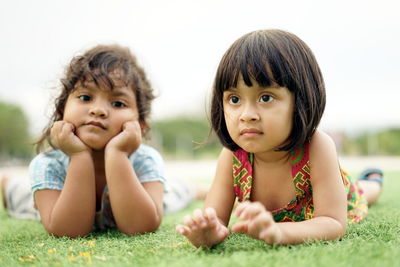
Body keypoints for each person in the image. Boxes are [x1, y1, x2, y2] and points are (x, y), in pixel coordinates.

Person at [176, 29, 383, 247]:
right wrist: (208, 232)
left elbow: (333, 222)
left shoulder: (317, 147)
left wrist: (279, 232)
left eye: (265, 97)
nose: (246, 115)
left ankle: (373, 180)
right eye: (234, 99)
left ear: (301, 100)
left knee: (365, 194)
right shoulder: (232, 157)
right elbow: (215, 218)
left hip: (343, 195)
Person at [0, 44, 198, 237]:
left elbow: (141, 227)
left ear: (141, 124)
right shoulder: (48, 165)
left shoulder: (145, 160)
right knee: (21, 193)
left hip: (152, 193)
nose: (98, 110)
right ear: (62, 111)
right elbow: (68, 231)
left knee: (175, 194)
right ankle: (7, 184)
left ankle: (193, 187)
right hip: (49, 198)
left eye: (118, 103)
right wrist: (78, 155)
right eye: (85, 97)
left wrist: (117, 154)